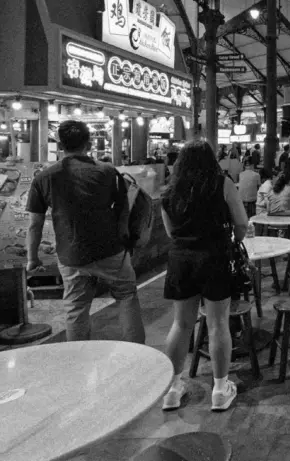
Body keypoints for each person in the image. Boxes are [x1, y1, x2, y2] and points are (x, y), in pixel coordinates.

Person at [26, 120, 144, 343]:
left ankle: (79, 361)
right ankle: (139, 353)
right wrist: (123, 239)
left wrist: (32, 258)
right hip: (111, 251)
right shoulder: (108, 172)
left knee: (76, 308)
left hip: (72, 254)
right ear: (89, 143)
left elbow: (35, 224)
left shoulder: (44, 177)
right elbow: (124, 210)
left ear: (60, 144)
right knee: (127, 297)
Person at [158, 140, 248, 412]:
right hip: (215, 255)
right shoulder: (222, 184)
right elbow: (241, 223)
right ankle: (220, 390)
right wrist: (233, 240)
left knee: (181, 323)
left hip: (181, 259)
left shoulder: (169, 191)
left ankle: (172, 389)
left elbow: (171, 232)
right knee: (218, 322)